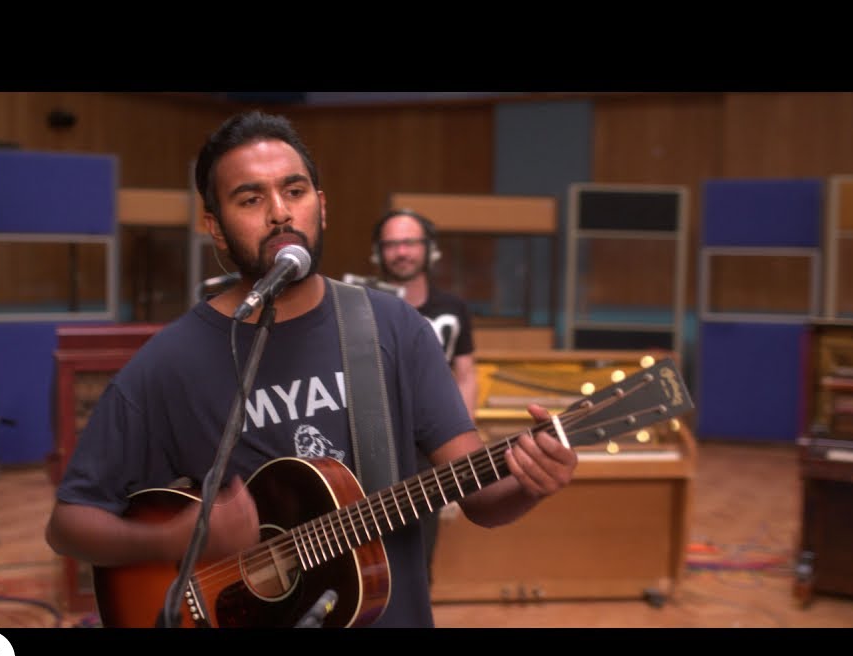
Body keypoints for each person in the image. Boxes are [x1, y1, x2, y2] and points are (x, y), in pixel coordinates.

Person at [44, 110, 578, 629]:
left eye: (294, 192)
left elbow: (480, 499)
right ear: (217, 229)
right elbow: (69, 525)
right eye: (251, 199)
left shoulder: (393, 328)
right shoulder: (168, 363)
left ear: (320, 207)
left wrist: (530, 482)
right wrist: (173, 541)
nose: (280, 212)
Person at [370, 208, 478, 582]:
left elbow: (465, 376)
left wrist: (460, 464)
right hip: (370, 450)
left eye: (410, 242)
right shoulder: (360, 307)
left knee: (418, 567)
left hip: (428, 454)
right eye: (392, 244)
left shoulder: (454, 308)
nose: (402, 252)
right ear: (378, 253)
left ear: (429, 250)